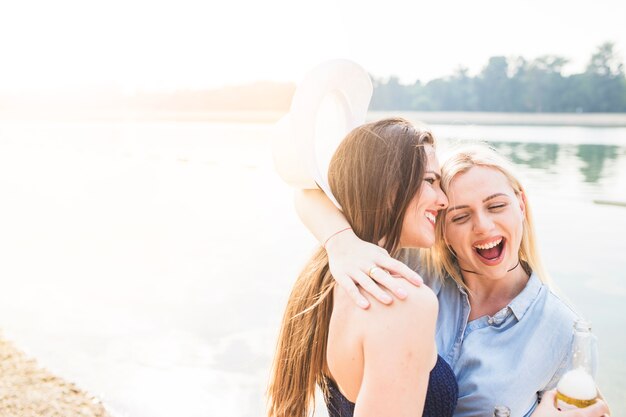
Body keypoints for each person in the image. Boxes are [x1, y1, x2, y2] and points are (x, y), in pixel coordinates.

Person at [294, 143, 611, 416]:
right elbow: (308, 190)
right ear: (441, 228)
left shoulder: (566, 333)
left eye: (496, 205)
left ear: (521, 205)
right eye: (460, 216)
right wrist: (341, 243)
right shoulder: (406, 268)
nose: (484, 227)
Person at [267, 118, 458, 417]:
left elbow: (306, 191)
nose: (444, 200)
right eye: (431, 182)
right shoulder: (400, 302)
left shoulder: (327, 277)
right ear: (390, 187)